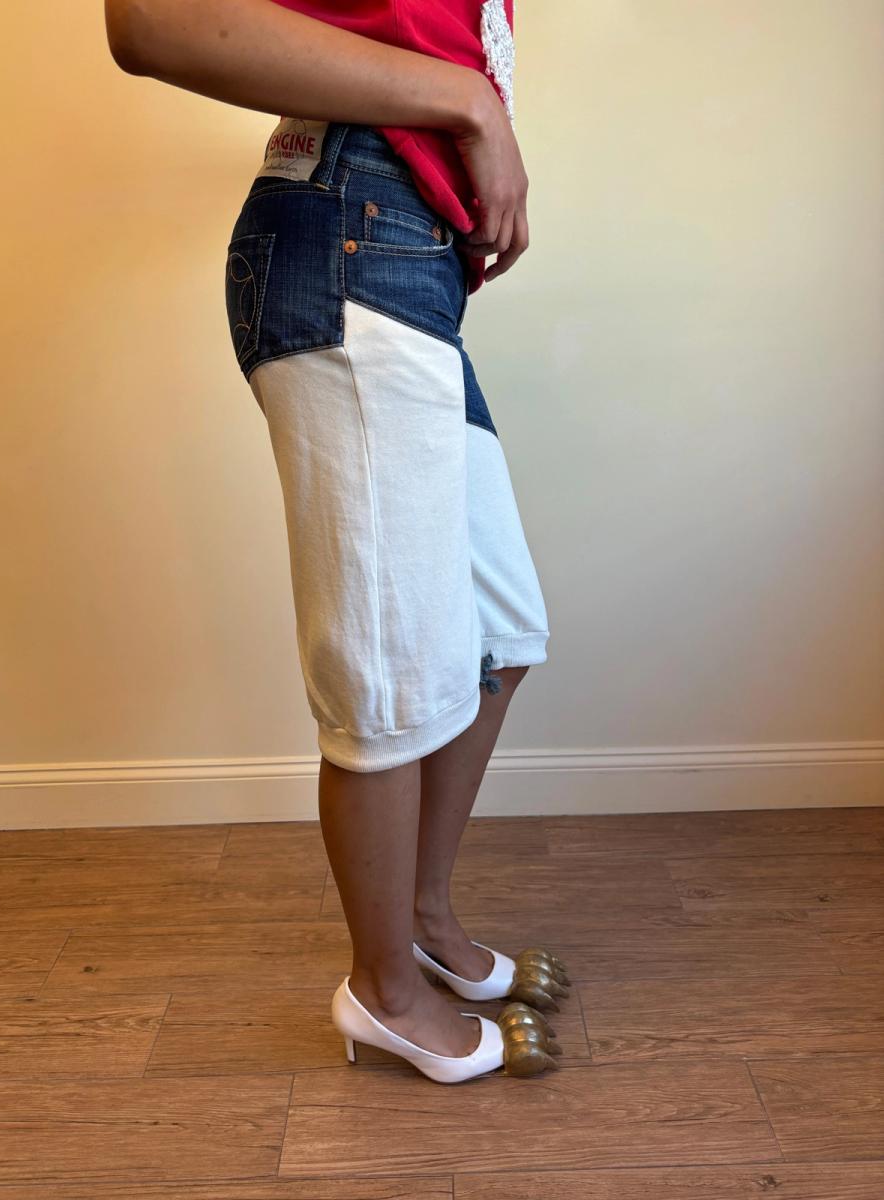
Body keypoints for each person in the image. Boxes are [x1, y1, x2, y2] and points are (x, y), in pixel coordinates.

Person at [104, 0, 567, 1084]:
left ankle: (422, 920)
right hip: (350, 231)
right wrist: (469, 103)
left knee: (497, 634)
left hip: (407, 257)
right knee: (390, 670)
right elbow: (153, 19)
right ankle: (385, 993)